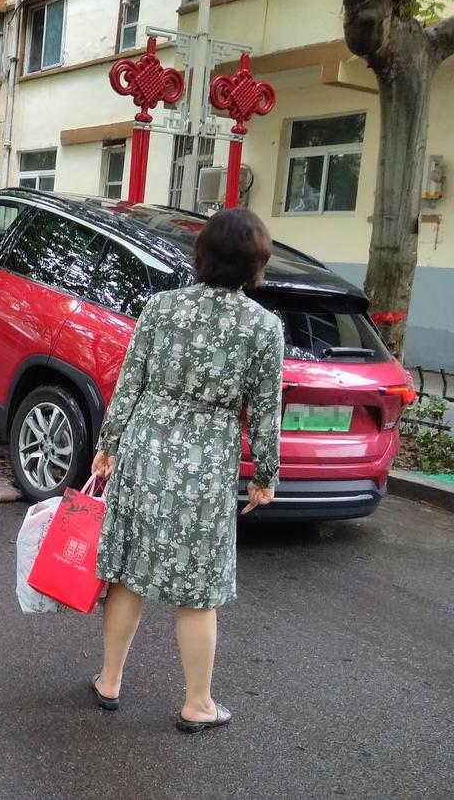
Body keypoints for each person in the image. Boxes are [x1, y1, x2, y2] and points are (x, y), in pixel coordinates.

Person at [88, 208, 283, 734]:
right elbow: (266, 409)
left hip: (146, 448)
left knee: (129, 572)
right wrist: (265, 475)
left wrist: (108, 446)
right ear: (255, 265)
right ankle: (197, 703)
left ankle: (109, 681)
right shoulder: (264, 328)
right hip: (205, 465)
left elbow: (130, 383)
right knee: (199, 591)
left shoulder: (161, 307)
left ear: (203, 255)